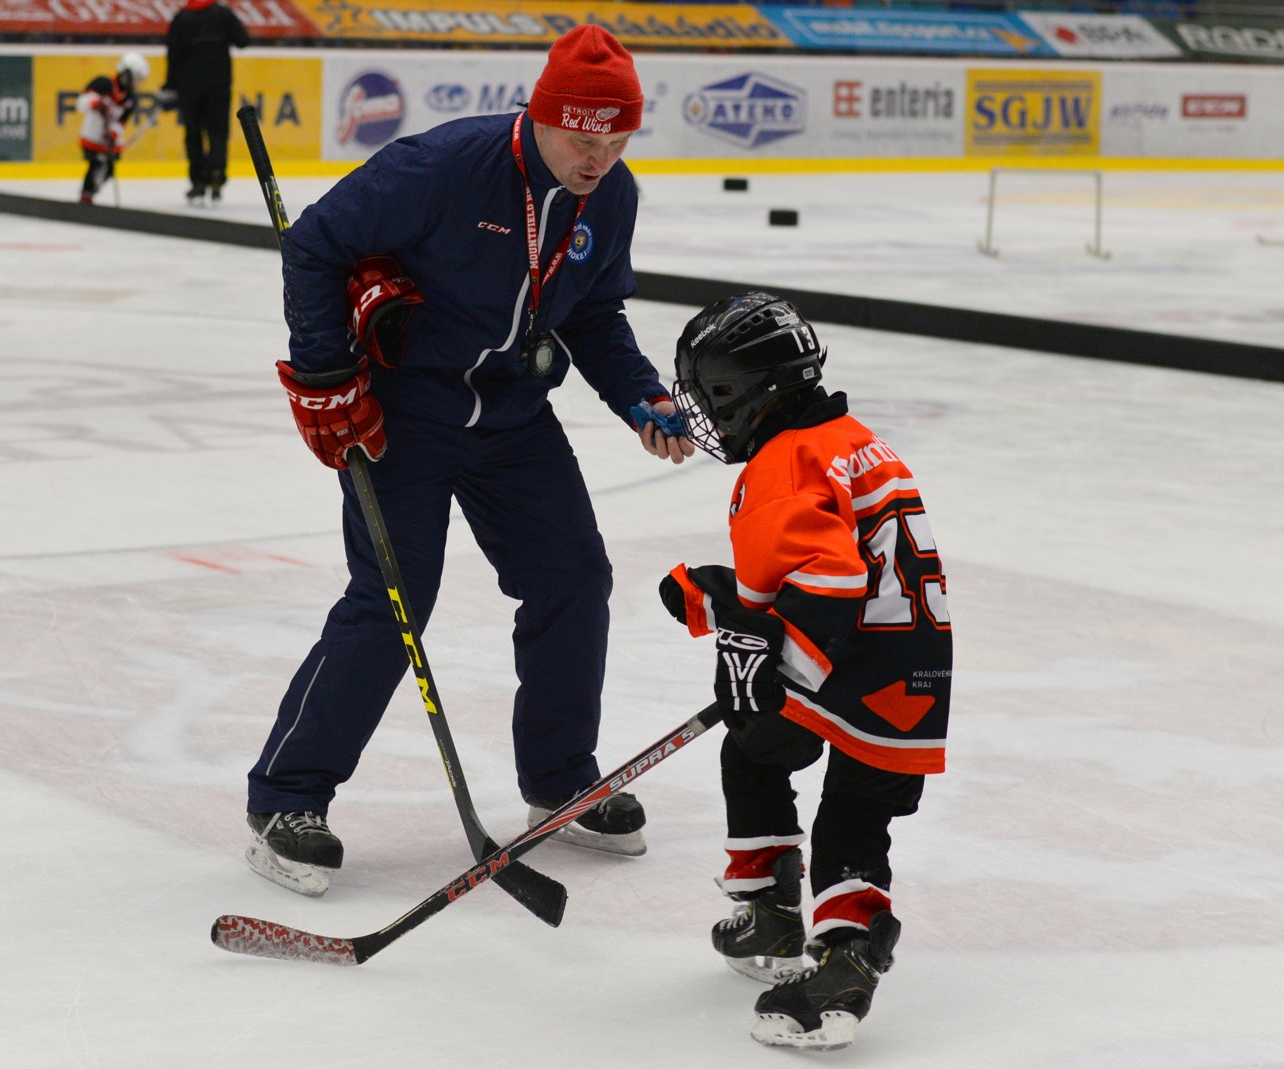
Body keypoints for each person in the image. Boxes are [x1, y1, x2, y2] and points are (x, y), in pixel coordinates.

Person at [244, 25, 693, 897]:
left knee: (573, 577)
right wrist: (327, 372)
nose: (598, 160)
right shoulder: (445, 166)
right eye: (582, 140)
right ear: (541, 115)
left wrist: (641, 394)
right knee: (394, 599)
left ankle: (559, 779)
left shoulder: (611, 197)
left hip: (515, 416)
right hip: (406, 413)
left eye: (616, 141)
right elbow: (315, 244)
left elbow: (592, 313)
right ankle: (287, 796)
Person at [659, 292, 953, 1051]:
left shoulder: (784, 462)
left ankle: (843, 967)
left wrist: (764, 666)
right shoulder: (848, 441)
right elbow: (820, 562)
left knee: (804, 784)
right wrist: (713, 598)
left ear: (740, 390)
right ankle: (777, 916)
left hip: (853, 669)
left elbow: (827, 581)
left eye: (708, 394)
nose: (704, 412)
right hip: (907, 667)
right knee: (803, 777)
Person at [160, 0, 249, 206]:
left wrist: (170, 85)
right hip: (218, 85)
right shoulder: (223, 14)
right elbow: (243, 41)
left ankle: (198, 181)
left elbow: (173, 55)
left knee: (193, 134)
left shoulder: (181, 19)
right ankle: (216, 173)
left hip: (189, 88)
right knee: (218, 133)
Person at [75, 53, 147, 206]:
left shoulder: (130, 99)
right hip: (92, 136)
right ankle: (86, 195)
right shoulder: (103, 83)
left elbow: (120, 123)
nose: (138, 83)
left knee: (109, 170)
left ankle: (90, 193)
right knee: (97, 164)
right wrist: (96, 103)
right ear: (126, 75)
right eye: (137, 78)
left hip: (110, 143)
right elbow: (81, 103)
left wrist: (113, 134)